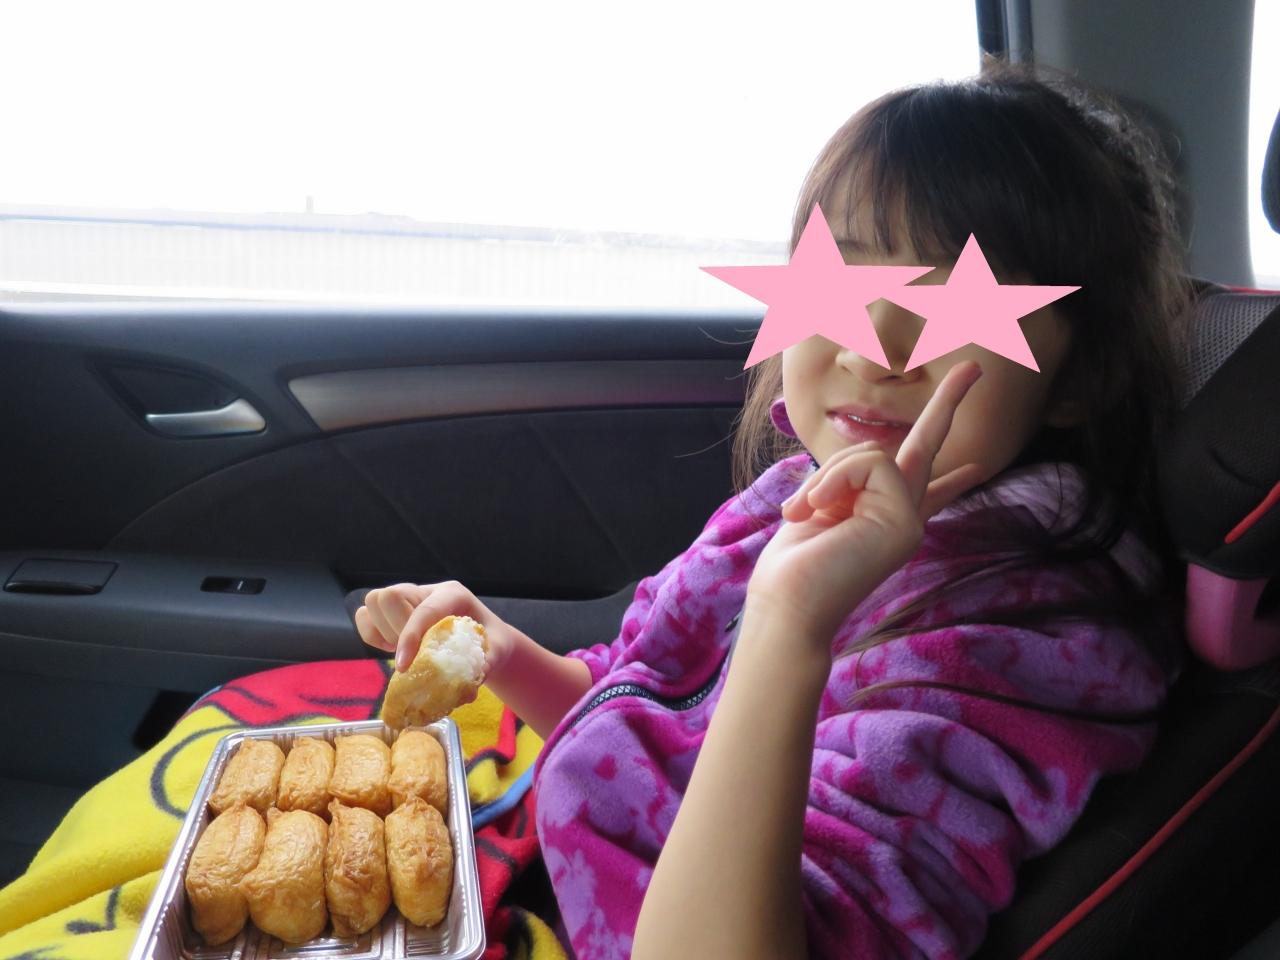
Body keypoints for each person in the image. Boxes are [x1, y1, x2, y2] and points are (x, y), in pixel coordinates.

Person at [356, 57, 1195, 959]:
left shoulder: (1010, 646)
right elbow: (641, 710)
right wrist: (504, 654)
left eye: (955, 300)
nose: (873, 351)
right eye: (845, 278)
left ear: (1077, 377)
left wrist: (789, 625)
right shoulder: (789, 498)